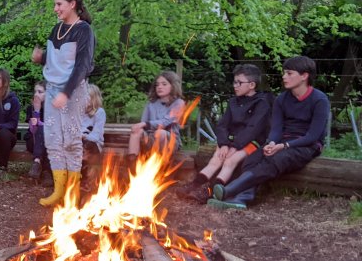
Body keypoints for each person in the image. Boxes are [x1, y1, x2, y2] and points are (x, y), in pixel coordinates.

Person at [208, 56, 330, 209]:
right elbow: (276, 128)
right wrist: (271, 142)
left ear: (304, 76)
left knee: (276, 159)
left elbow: (313, 136)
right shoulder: (281, 99)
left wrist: (284, 146)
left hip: (307, 145)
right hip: (281, 142)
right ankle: (243, 197)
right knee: (252, 160)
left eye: (289, 73)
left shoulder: (320, 99)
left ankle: (230, 190)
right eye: (284, 73)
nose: (284, 77)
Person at [31, 0, 95, 207]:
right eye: (55, 4)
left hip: (73, 92)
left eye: (59, 4)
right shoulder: (55, 29)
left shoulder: (84, 30)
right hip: (52, 90)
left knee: (71, 140)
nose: (55, 9)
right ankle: (59, 189)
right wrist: (41, 58)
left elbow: (82, 65)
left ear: (72, 4)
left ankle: (72, 192)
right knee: (52, 139)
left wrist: (66, 94)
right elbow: (55, 58)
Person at [175, 64, 272, 203]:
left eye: (239, 82)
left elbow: (253, 129)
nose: (235, 85)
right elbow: (222, 125)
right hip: (231, 141)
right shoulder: (233, 102)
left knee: (230, 161)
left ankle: (210, 190)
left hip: (252, 142)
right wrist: (224, 144)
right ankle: (194, 185)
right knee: (216, 159)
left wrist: (235, 146)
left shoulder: (262, 103)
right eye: (234, 82)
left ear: (252, 84)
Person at [127, 71, 185, 164]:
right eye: (157, 85)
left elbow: (165, 122)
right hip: (150, 138)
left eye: (164, 84)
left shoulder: (179, 103)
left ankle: (161, 165)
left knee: (160, 133)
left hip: (169, 141)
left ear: (173, 86)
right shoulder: (151, 103)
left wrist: (145, 124)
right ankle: (132, 164)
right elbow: (144, 123)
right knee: (137, 130)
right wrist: (140, 129)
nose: (159, 87)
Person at [80, 84, 106, 193]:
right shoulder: (79, 113)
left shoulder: (99, 112)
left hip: (93, 145)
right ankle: (74, 181)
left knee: (87, 146)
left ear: (94, 98)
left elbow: (96, 136)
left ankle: (89, 182)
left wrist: (84, 136)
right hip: (79, 143)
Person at [25, 81, 49, 180]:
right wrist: (36, 111)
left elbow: (52, 128)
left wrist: (39, 122)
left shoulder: (54, 109)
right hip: (33, 141)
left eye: (40, 92)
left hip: (49, 140)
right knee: (40, 130)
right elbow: (33, 129)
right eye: (35, 92)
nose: (36, 94)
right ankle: (47, 173)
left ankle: (38, 163)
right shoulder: (30, 108)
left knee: (48, 141)